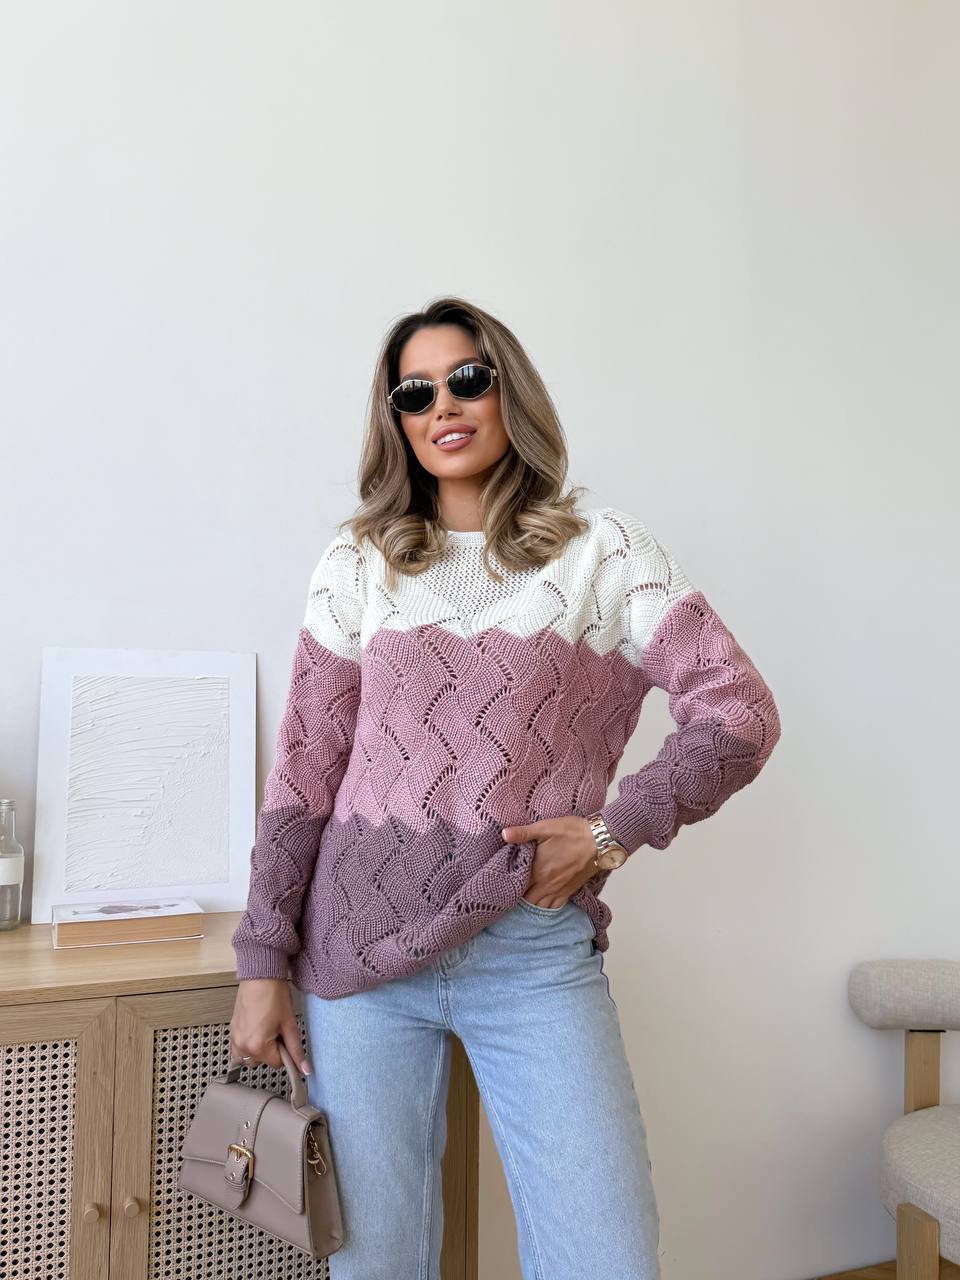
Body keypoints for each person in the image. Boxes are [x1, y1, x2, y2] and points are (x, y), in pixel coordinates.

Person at [228, 295, 781, 1279]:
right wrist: (262, 958)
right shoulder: (359, 563)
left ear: (507, 391)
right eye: (415, 392)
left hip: (529, 945)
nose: (443, 404)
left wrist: (612, 832)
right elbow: (304, 774)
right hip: (360, 953)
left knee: (606, 1257)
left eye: (467, 379)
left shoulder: (604, 551)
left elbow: (738, 713)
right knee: (378, 1263)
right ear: (397, 420)